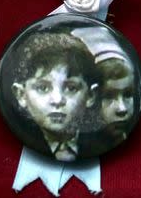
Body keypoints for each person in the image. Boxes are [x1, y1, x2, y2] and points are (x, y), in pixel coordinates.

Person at [11, 32, 97, 161]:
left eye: (71, 88)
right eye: (42, 88)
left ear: (90, 96)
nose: (57, 100)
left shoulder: (101, 143)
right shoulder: (14, 146)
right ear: (21, 95)